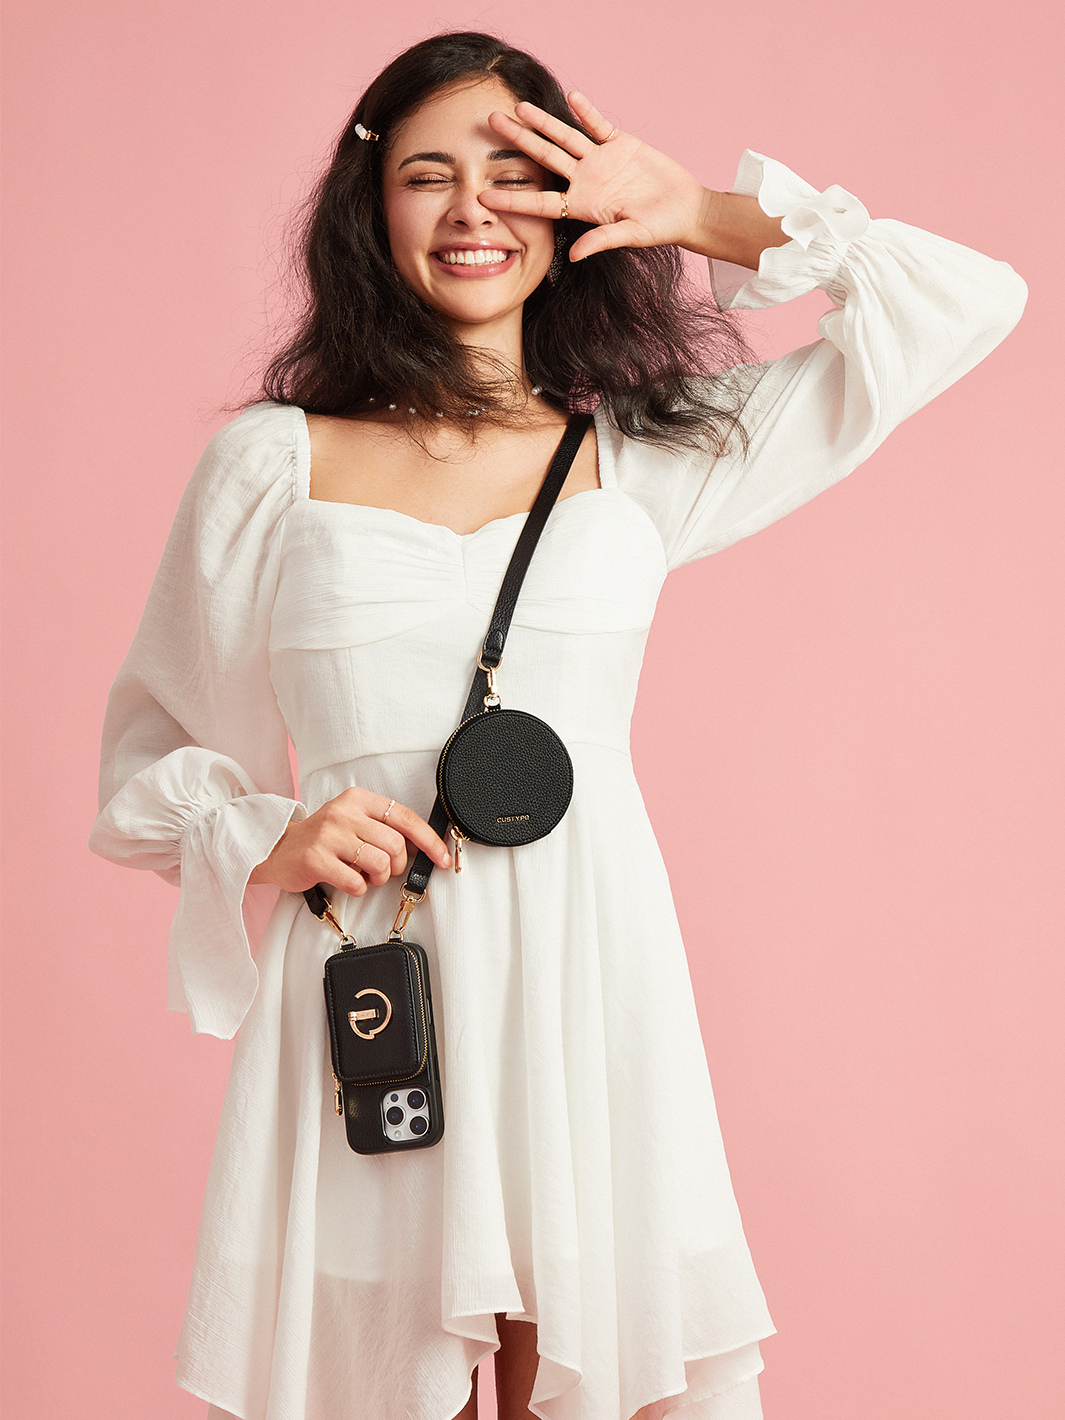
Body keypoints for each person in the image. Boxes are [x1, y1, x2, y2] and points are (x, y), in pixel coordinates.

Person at [88, 29, 1026, 1420]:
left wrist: (697, 208)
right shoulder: (272, 465)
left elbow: (969, 302)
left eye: (514, 174)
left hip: (589, 991)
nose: (473, 209)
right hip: (378, 988)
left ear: (571, 203)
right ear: (370, 209)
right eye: (428, 175)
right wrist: (273, 835)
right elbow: (150, 755)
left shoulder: (642, 458)